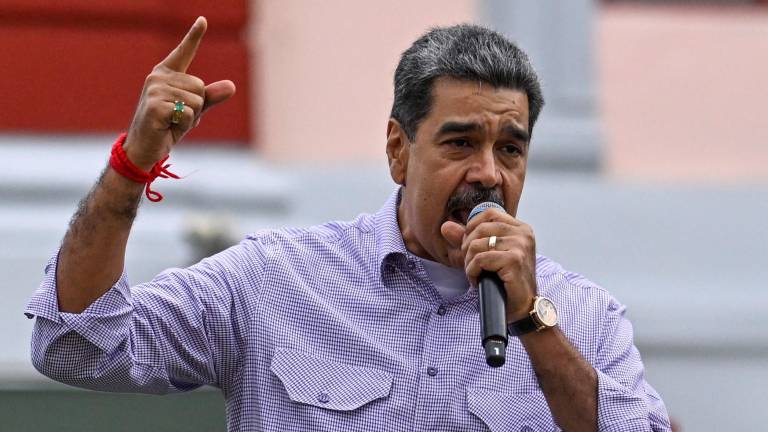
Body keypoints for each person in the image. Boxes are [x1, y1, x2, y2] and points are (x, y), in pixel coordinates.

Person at [25, 17, 671, 432]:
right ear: (398, 150)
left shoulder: (584, 317)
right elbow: (78, 344)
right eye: (460, 143)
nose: (487, 173)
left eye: (510, 149)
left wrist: (531, 320)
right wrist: (132, 166)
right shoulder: (274, 280)